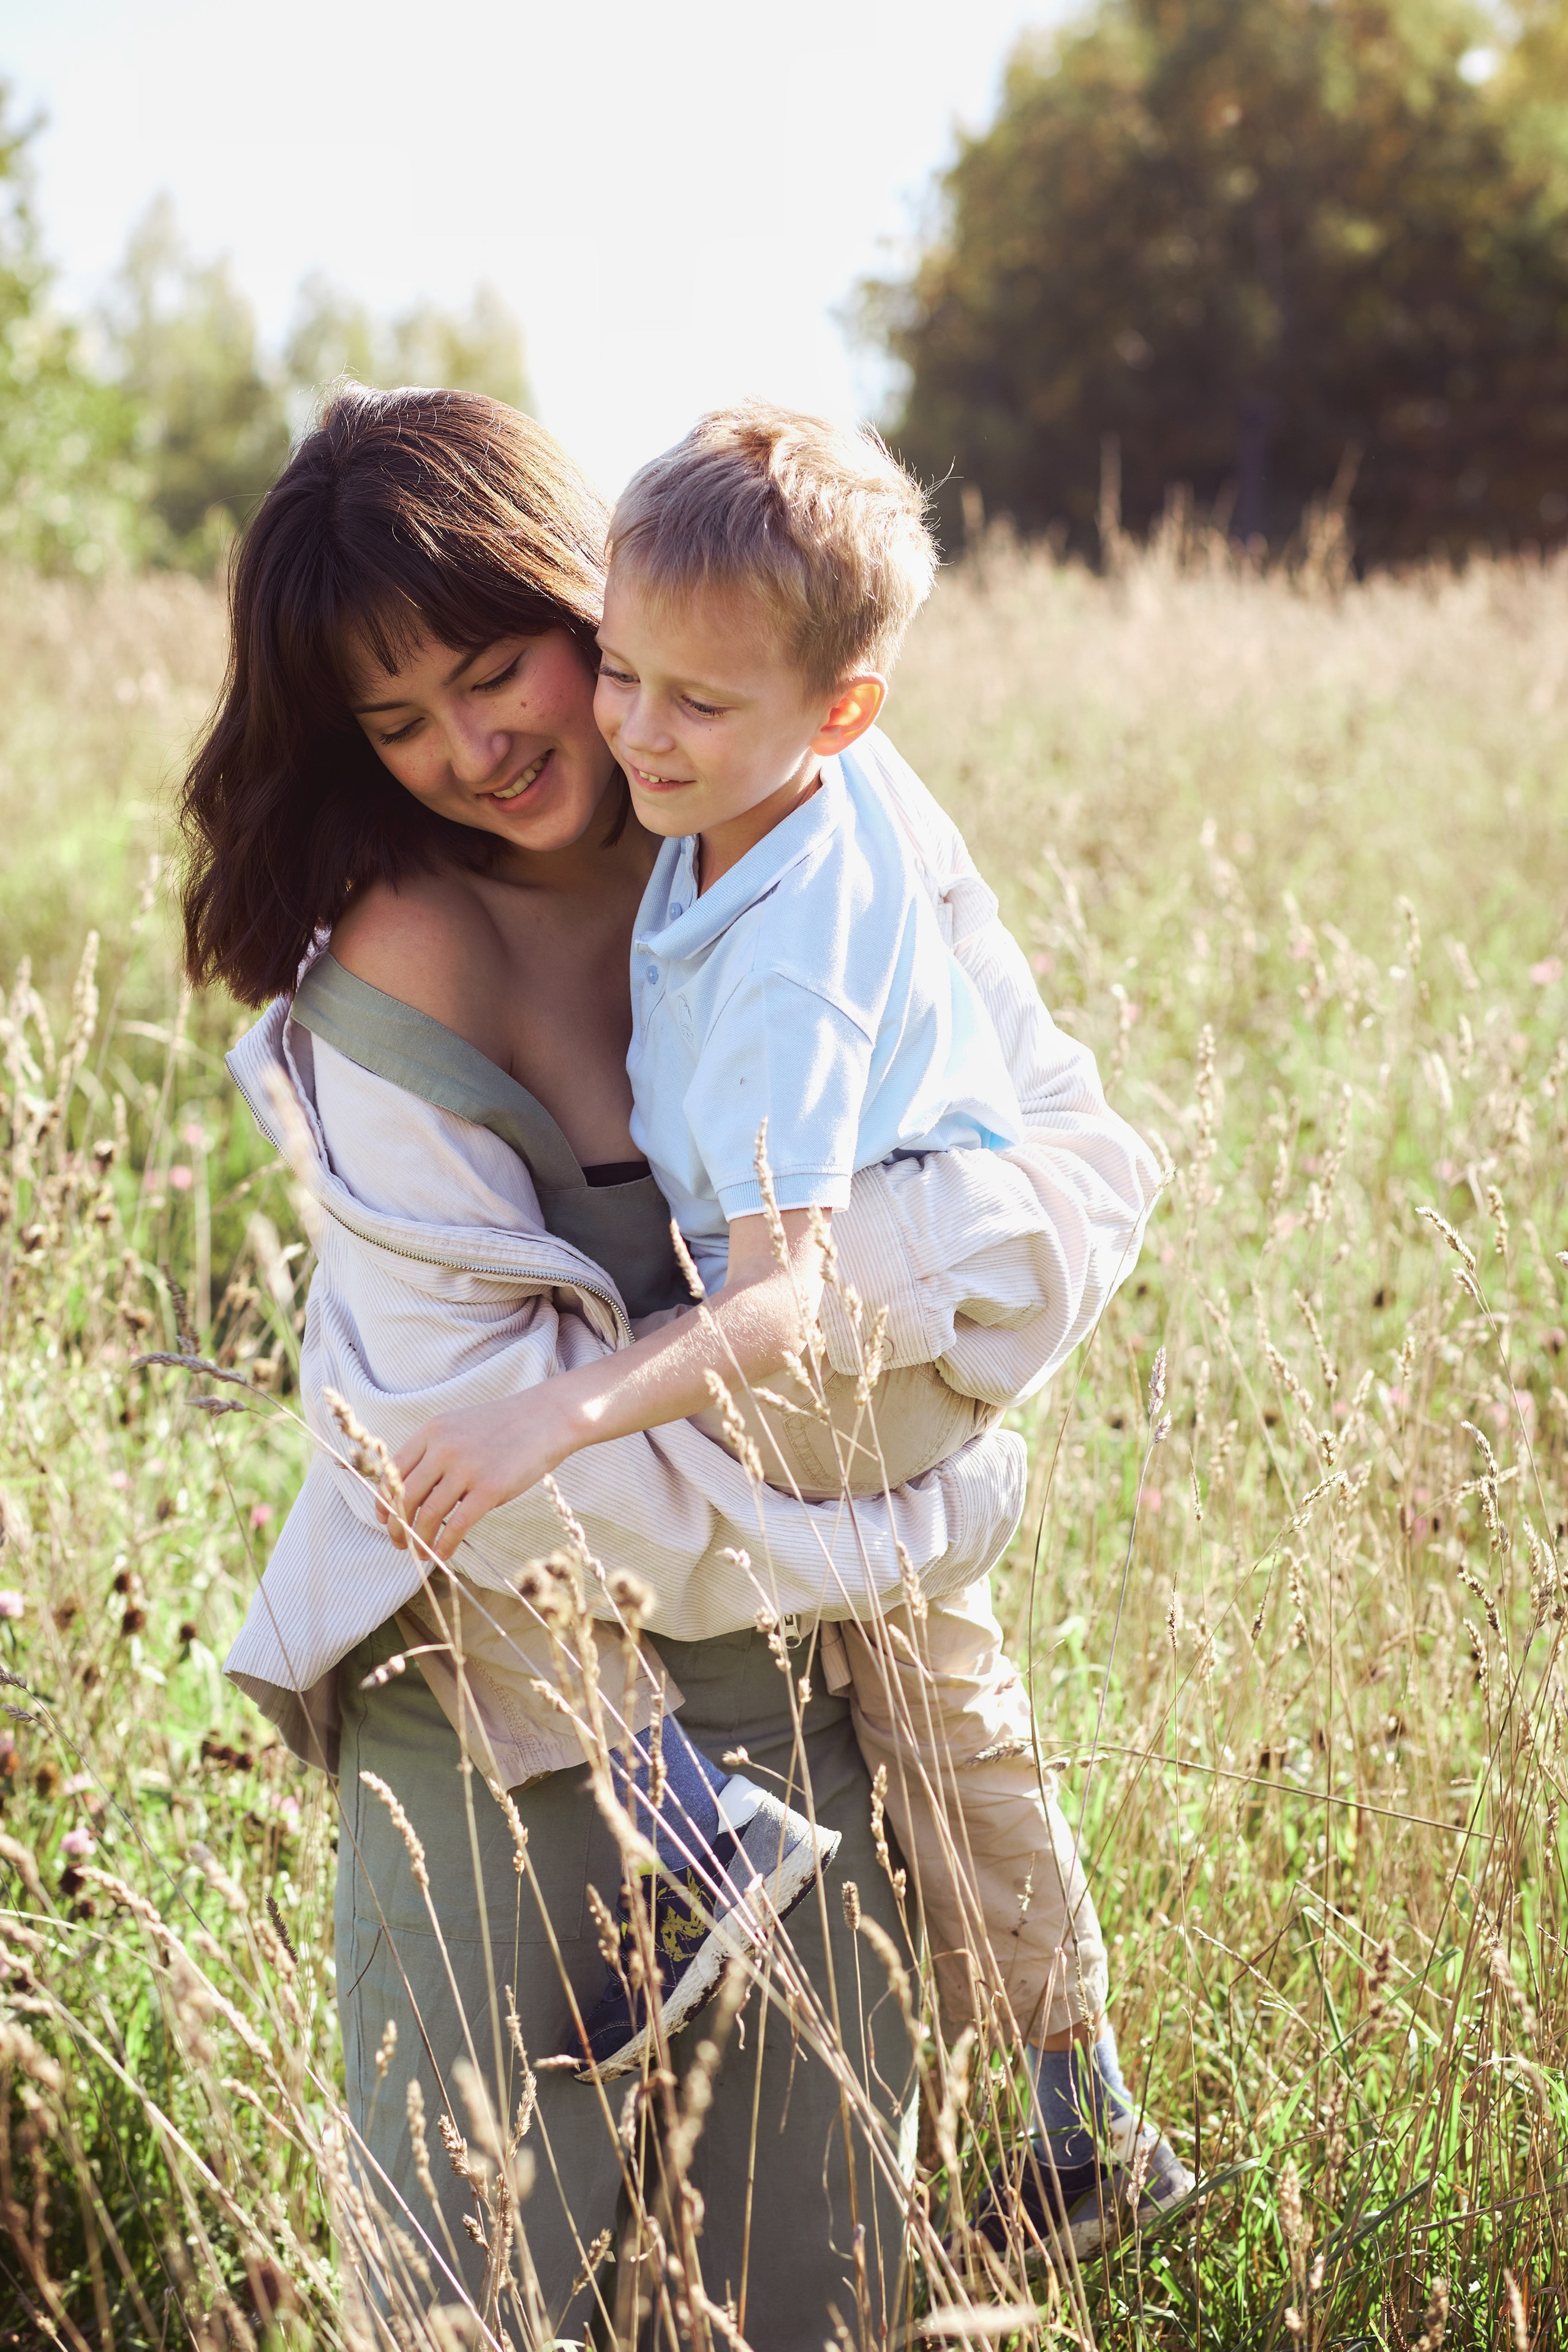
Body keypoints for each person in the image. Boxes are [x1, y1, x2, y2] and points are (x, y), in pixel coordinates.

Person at [182, 383, 1166, 2342]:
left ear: (592, 596)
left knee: (806, 2307)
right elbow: (485, 1480)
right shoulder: (395, 957)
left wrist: (863, 1407)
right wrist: (909, 1493)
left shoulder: (821, 803)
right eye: (398, 722)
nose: (478, 749)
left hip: (807, 1722)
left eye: (493, 668)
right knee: (485, 2308)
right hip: (505, 1724)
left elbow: (1076, 1174)